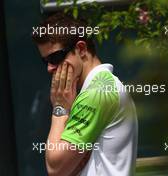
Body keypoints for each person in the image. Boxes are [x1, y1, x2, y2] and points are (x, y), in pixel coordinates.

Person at [32, 12, 138, 176]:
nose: (50, 68)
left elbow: (55, 167)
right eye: (45, 61)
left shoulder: (97, 92)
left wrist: (59, 109)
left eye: (55, 57)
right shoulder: (101, 87)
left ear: (81, 49)